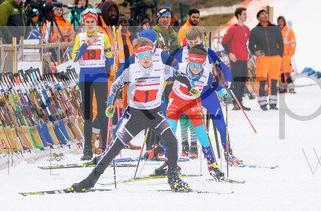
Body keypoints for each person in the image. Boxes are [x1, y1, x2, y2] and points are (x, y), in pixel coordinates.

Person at [69, 37, 195, 192]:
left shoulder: (161, 68)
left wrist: (191, 87)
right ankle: (89, 181)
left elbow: (182, 76)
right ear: (136, 56)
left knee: (172, 141)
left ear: (153, 52)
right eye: (141, 55)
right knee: (112, 150)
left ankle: (174, 179)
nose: (146, 58)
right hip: (135, 117)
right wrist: (110, 104)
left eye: (149, 53)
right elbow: (115, 86)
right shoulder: (132, 71)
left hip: (155, 115)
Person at [165, 43, 232, 180]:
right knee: (170, 130)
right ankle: (170, 163)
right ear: (188, 60)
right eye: (193, 64)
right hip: (176, 102)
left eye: (199, 65)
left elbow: (216, 86)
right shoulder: (180, 68)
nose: (195, 68)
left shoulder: (207, 75)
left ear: (203, 64)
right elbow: (164, 77)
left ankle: (212, 164)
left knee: (202, 134)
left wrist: (225, 94)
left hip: (192, 104)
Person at [174, 26, 234, 162]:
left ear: (202, 39)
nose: (193, 45)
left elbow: (223, 67)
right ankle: (185, 148)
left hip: (207, 92)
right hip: (188, 94)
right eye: (190, 42)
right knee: (183, 121)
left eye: (195, 42)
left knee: (220, 122)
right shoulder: (181, 53)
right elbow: (171, 71)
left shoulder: (208, 52)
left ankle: (228, 152)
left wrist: (228, 81)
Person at [70, 10, 113, 160]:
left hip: (100, 76)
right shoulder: (80, 37)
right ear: (84, 23)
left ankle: (105, 147)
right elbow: (74, 58)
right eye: (87, 22)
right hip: (85, 76)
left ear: (96, 23)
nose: (89, 25)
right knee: (87, 114)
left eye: (92, 22)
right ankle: (87, 149)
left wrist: (110, 55)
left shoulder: (103, 37)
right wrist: (86, 45)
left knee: (102, 112)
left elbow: (110, 60)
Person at [248, 8, 283, 110]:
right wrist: (255, 52)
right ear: (259, 18)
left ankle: (273, 104)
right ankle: (262, 104)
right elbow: (250, 46)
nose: (265, 15)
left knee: (273, 82)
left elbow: (280, 43)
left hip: (275, 58)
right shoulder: (254, 31)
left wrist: (280, 56)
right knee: (262, 81)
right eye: (262, 14)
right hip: (262, 59)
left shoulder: (275, 28)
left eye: (266, 14)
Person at [221, 7, 252, 110]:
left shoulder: (247, 29)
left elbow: (245, 44)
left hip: (244, 58)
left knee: (243, 81)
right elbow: (224, 42)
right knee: (236, 81)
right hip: (235, 59)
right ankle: (236, 103)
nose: (245, 16)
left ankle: (240, 102)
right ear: (238, 15)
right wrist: (229, 53)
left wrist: (247, 53)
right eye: (244, 14)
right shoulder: (232, 29)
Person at [278, 16, 297, 93]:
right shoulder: (277, 31)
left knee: (287, 71)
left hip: (286, 55)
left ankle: (291, 87)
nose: (280, 23)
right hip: (279, 56)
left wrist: (290, 54)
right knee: (281, 72)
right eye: (279, 21)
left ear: (284, 22)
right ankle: (284, 87)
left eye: (282, 21)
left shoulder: (289, 31)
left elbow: (293, 43)